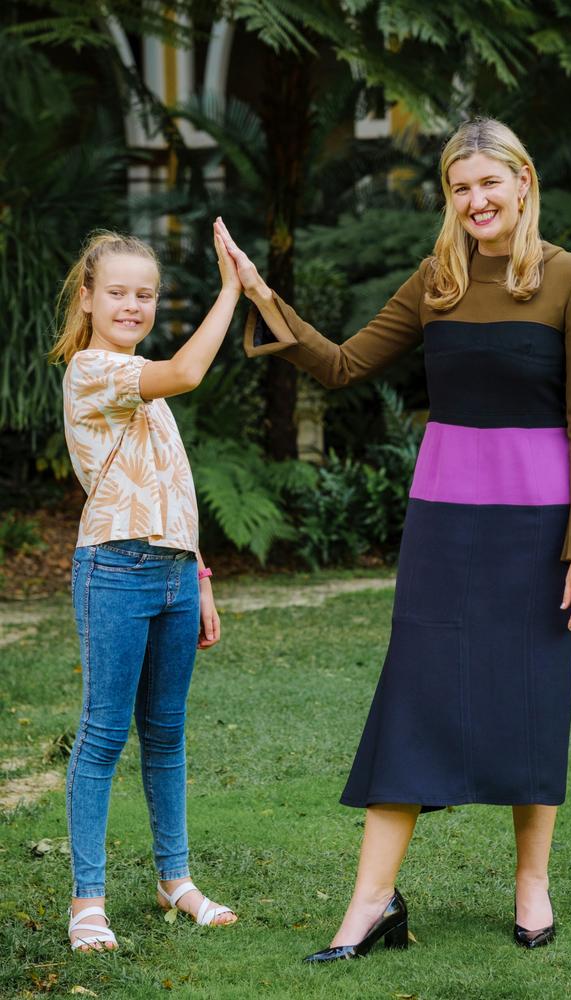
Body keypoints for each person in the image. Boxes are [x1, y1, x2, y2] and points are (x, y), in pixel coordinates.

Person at [215, 116, 571, 960]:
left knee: (532, 696)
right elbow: (345, 364)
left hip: (539, 532)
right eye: (459, 188)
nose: (475, 201)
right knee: (412, 696)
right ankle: (370, 903)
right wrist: (262, 296)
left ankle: (532, 884)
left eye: (488, 184)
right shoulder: (434, 280)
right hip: (443, 525)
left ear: (523, 183)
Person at [50, 224, 242, 952]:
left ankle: (175, 880)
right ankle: (87, 901)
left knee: (166, 735)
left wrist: (200, 579)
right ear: (90, 297)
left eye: (146, 294)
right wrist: (232, 290)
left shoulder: (142, 386)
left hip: (169, 576)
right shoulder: (95, 371)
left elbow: (173, 489)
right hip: (115, 571)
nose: (133, 304)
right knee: (103, 736)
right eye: (119, 292)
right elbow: (190, 371)